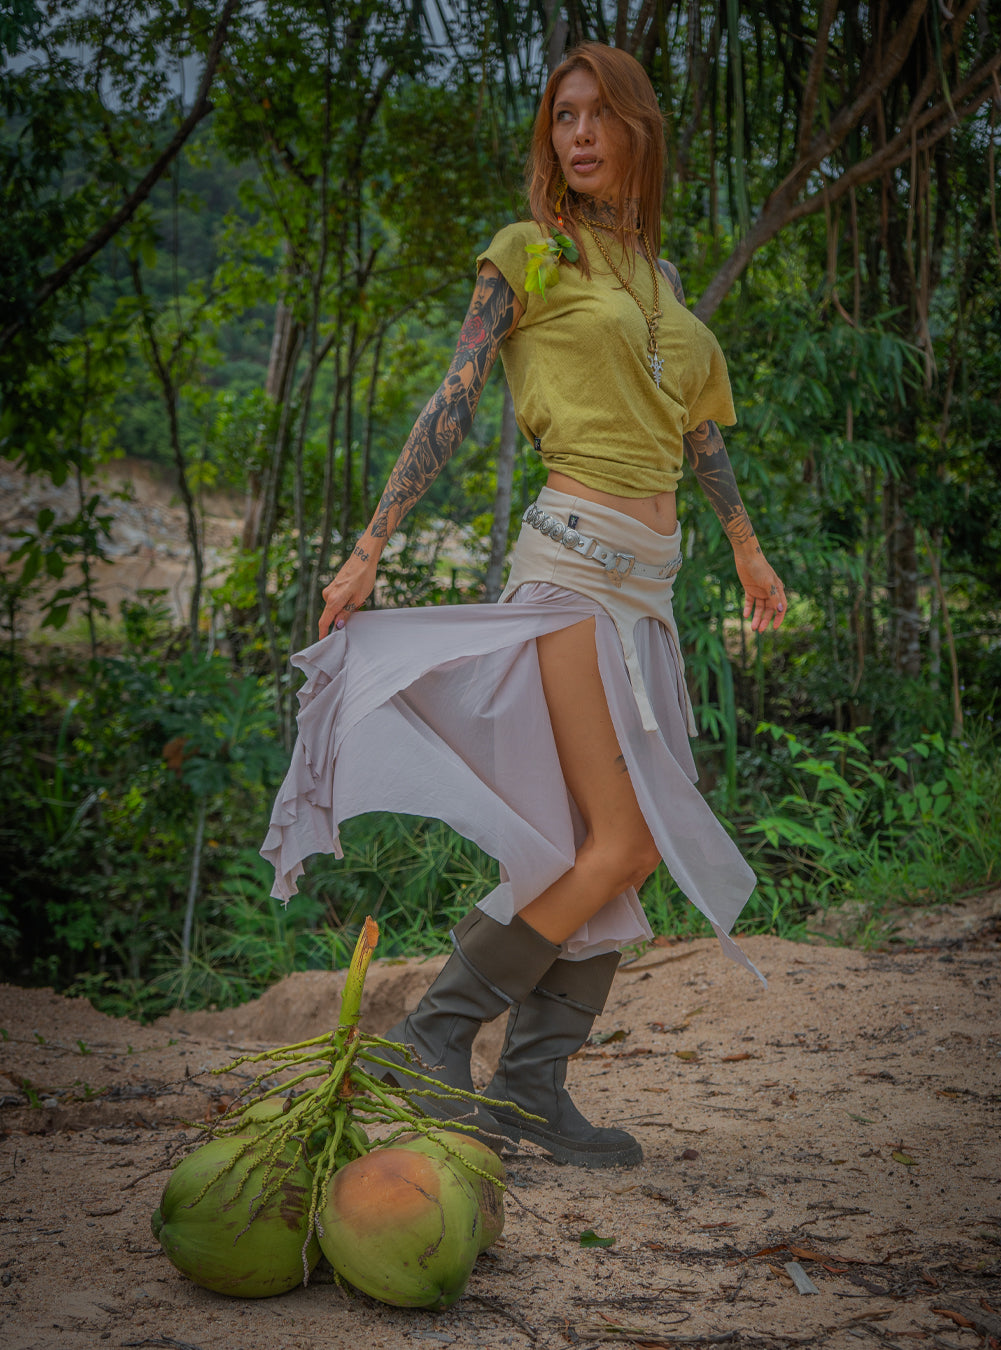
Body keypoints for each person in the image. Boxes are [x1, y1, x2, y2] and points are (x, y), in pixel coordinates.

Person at [261, 43, 786, 1170]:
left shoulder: (661, 279)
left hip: (650, 591)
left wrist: (748, 550)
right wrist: (370, 544)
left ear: (639, 129)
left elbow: (696, 430)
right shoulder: (531, 254)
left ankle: (533, 1089)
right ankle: (434, 1036)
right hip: (571, 574)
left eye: (599, 115)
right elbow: (453, 399)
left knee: (610, 851)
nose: (579, 135)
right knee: (624, 840)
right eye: (562, 117)